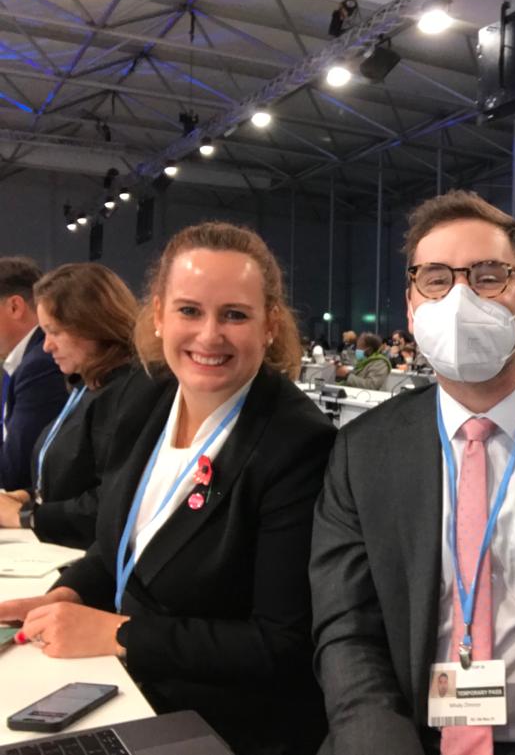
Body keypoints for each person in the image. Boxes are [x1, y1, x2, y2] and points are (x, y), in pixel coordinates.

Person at [0, 222, 336, 755]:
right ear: (158, 315)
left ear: (270, 324)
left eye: (234, 314)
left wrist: (119, 633)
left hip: (219, 722)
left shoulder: (297, 444)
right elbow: (119, 547)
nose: (209, 335)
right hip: (124, 687)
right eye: (189, 311)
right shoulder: (147, 400)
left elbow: (280, 642)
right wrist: (64, 595)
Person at [311, 190, 515, 755]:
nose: (460, 298)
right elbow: (347, 629)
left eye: (488, 276)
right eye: (436, 279)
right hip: (405, 737)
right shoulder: (363, 452)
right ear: (412, 308)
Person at [0, 263, 138, 548]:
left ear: (92, 325)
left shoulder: (128, 392)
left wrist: (26, 516)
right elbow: (71, 478)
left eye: (54, 332)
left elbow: (110, 502)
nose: (47, 345)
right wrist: (27, 496)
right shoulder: (86, 386)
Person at [0, 257, 68, 491]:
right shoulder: (26, 362)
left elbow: (15, 471)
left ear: (15, 307)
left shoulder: (40, 364)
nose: (52, 344)